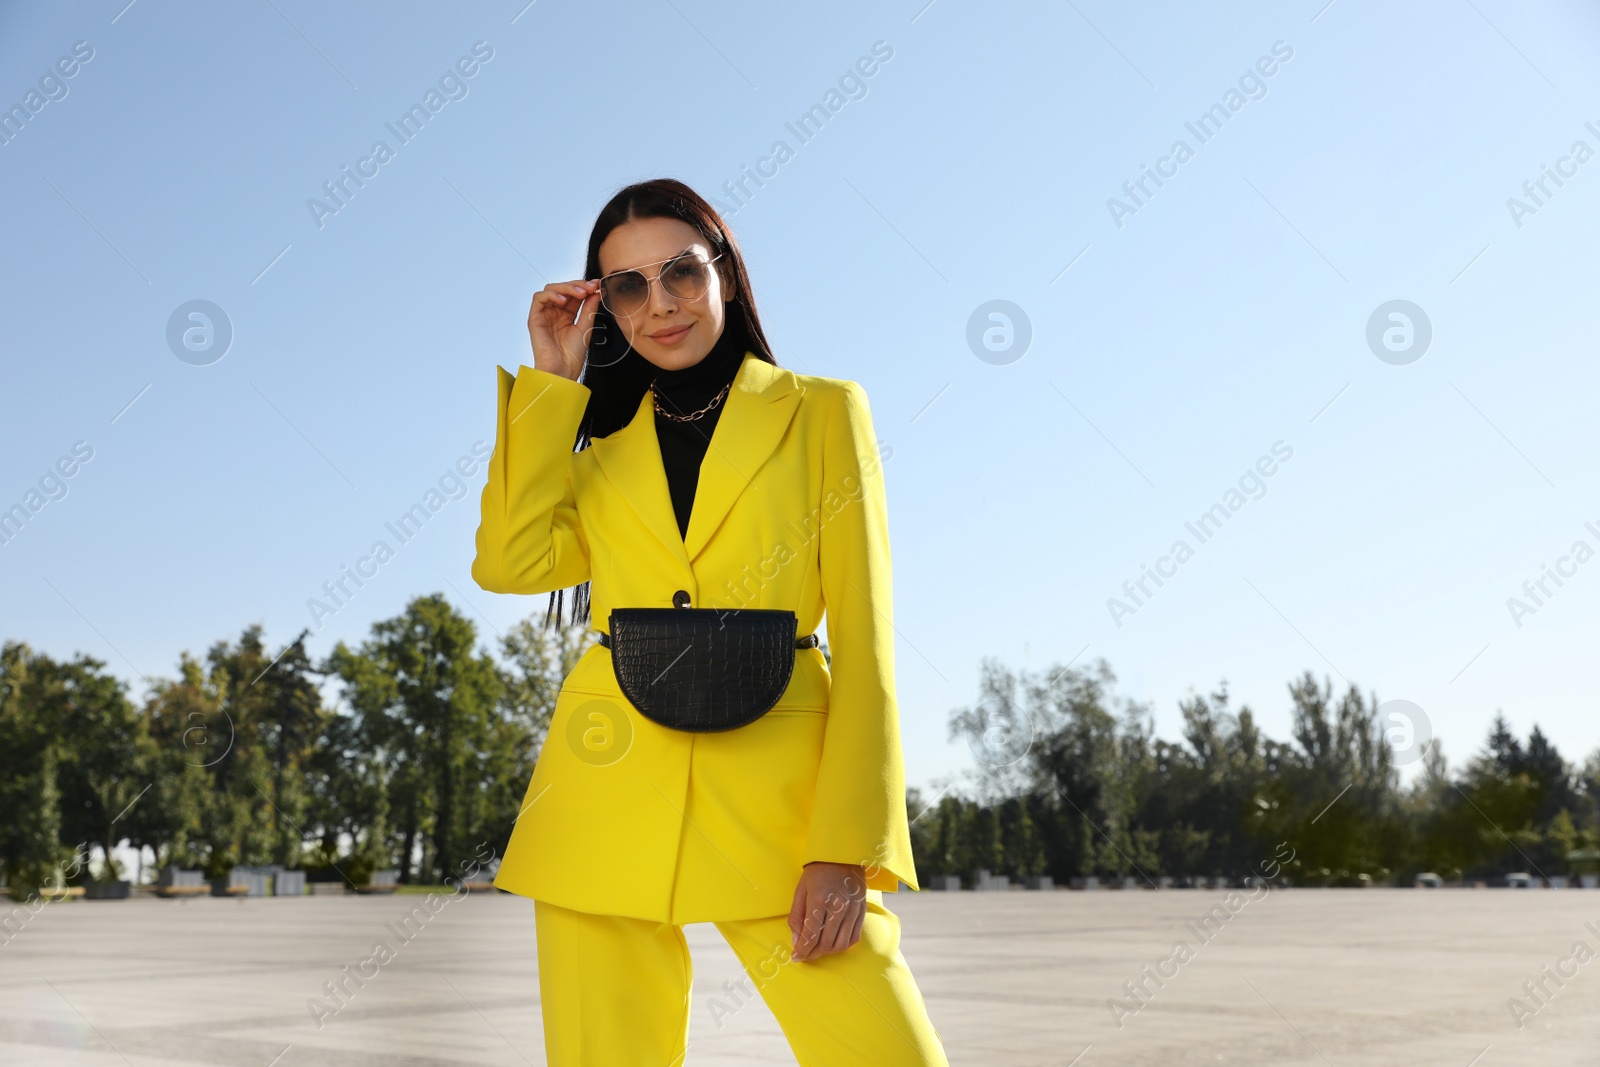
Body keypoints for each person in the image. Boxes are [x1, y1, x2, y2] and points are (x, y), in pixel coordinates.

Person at [472, 178, 948, 1065]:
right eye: (629, 286)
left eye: (682, 273)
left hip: (783, 799)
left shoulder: (821, 411)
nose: (661, 305)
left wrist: (847, 847)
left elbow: (868, 636)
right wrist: (550, 386)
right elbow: (511, 564)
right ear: (604, 305)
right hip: (603, 789)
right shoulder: (597, 446)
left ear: (725, 270)